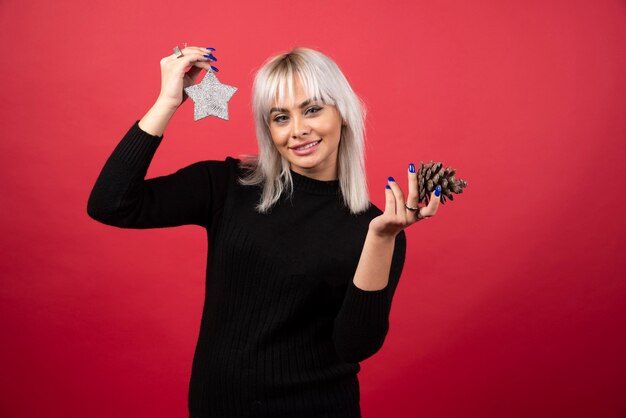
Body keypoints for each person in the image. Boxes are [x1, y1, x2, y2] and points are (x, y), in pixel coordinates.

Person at [87, 45, 440, 418]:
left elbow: (355, 345)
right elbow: (111, 203)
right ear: (268, 128)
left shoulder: (375, 229)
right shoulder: (227, 185)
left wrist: (381, 239)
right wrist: (167, 102)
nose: (298, 130)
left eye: (313, 109)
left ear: (344, 114)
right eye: (280, 117)